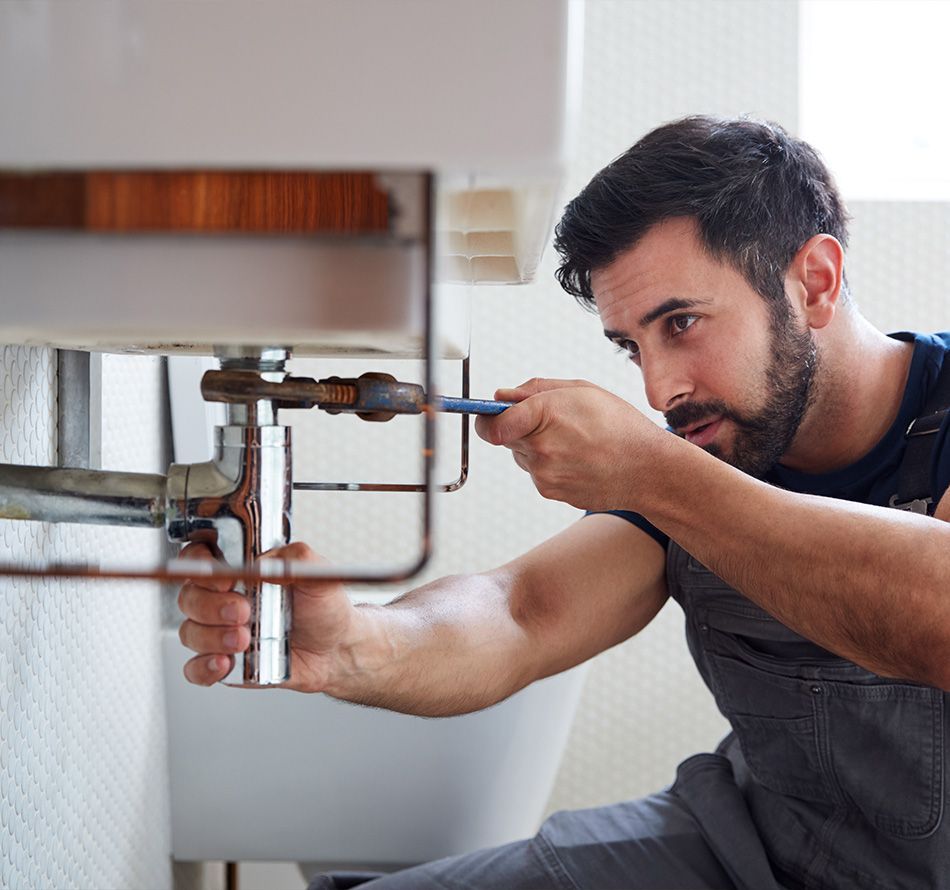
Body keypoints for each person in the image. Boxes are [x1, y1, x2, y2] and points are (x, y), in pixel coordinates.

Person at [176, 116, 950, 890]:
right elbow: (524, 610)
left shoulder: (687, 470)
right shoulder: (707, 455)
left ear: (813, 280)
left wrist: (654, 472)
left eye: (681, 323)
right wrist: (357, 642)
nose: (659, 390)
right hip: (736, 848)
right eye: (632, 346)